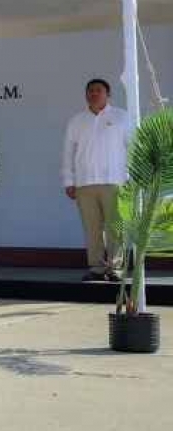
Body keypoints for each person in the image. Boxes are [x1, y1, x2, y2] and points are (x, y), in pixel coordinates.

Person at [61, 78, 130, 282]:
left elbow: (133, 147)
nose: (93, 94)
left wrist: (131, 179)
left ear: (108, 95)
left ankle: (116, 268)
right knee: (92, 227)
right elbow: (67, 152)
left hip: (115, 181)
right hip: (85, 183)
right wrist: (68, 180)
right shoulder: (77, 120)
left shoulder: (121, 117)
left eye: (98, 90)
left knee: (115, 227)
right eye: (90, 91)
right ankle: (97, 268)